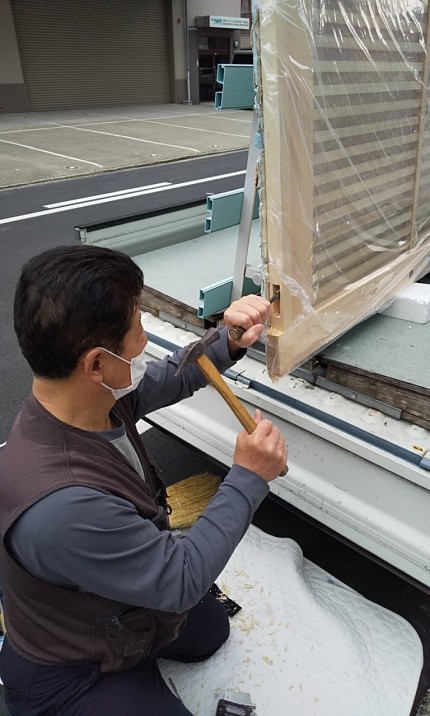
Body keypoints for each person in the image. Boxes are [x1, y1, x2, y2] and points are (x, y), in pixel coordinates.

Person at [0, 244, 287, 715]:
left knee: (211, 630)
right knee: (182, 606)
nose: (144, 341)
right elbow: (181, 578)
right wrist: (248, 477)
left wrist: (229, 340)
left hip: (115, 610)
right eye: (137, 329)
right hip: (70, 667)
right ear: (95, 364)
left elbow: (171, 377)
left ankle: (136, 650)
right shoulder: (61, 506)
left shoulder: (90, 402)